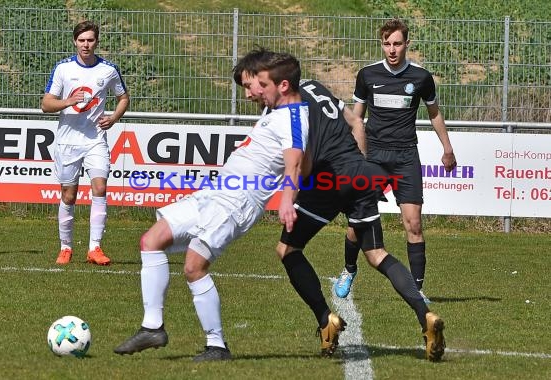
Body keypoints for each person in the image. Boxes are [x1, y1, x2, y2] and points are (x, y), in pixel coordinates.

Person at [235, 48, 445, 361]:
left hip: (328, 181)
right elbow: (357, 124)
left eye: (257, 83)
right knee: (377, 254)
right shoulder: (317, 87)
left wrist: (295, 190)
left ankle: (325, 320)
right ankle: (425, 315)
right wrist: (359, 168)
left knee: (287, 250)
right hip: (360, 171)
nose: (255, 92)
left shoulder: (286, 110)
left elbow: (302, 163)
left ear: (277, 81)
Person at [113, 51, 310, 361]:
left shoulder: (294, 117)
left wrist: (287, 199)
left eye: (260, 84)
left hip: (237, 203)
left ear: (283, 85)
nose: (253, 92)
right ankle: (152, 327)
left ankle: (217, 345)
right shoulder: (276, 110)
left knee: (194, 266)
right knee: (151, 240)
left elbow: (295, 163)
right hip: (214, 194)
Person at [334, 17, 457, 303]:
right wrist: (351, 152)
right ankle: (349, 270)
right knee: (356, 223)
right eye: (387, 44)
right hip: (373, 157)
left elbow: (434, 113)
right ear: (382, 44)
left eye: (397, 44)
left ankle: (417, 291)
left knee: (413, 224)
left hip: (405, 157)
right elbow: (357, 117)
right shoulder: (367, 75)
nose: (392, 49)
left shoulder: (421, 78)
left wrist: (447, 148)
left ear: (407, 44)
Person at [41, 20, 130, 266]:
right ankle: (66, 247)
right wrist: (68, 101)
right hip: (68, 142)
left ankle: (95, 248)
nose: (86, 44)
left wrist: (113, 118)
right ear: (75, 42)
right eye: (81, 40)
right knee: (69, 196)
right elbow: (46, 104)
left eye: (90, 40)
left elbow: (123, 98)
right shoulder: (63, 69)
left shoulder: (108, 70)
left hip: (95, 140)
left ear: (96, 41)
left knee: (100, 188)